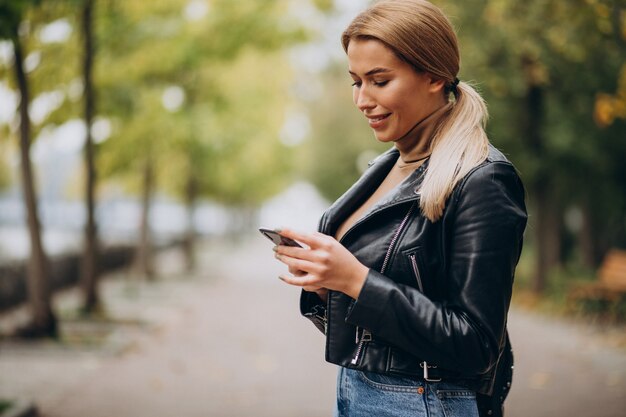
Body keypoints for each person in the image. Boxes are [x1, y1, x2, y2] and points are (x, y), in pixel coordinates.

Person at [273, 1, 527, 416]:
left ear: (434, 76)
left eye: (379, 80)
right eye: (356, 82)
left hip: (427, 402)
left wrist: (356, 280)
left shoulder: (484, 180)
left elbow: (477, 343)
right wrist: (326, 284)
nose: (362, 99)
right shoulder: (387, 168)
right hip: (361, 392)